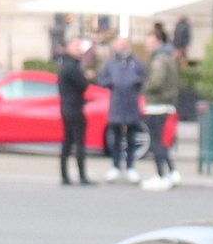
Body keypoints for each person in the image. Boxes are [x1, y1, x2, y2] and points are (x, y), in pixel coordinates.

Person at [98, 36, 148, 183]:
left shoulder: (137, 63)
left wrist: (137, 82)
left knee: (131, 137)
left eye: (124, 44)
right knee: (115, 138)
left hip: (131, 103)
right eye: (119, 45)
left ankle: (131, 167)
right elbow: (101, 80)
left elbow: (145, 78)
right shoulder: (110, 63)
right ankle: (115, 166)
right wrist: (111, 83)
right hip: (116, 104)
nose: (122, 47)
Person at [141, 32, 182, 189]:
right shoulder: (169, 58)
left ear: (158, 42)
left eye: (150, 43)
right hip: (166, 106)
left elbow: (156, 82)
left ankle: (161, 176)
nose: (147, 46)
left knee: (156, 142)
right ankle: (172, 172)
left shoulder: (158, 60)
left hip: (157, 106)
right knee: (163, 142)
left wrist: (144, 87)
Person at [53, 36, 92, 186]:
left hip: (67, 107)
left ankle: (65, 175)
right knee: (78, 143)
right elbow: (83, 84)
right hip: (74, 107)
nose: (79, 50)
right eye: (75, 47)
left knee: (68, 142)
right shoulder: (71, 66)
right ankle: (82, 176)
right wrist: (86, 76)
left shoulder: (65, 64)